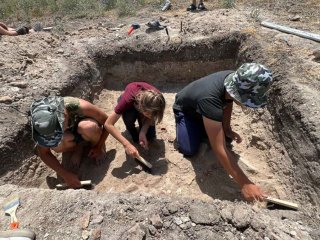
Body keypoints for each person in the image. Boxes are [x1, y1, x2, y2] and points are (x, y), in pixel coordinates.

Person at [173, 63, 273, 201]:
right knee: (189, 149)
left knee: (224, 138)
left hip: (205, 106)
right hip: (186, 110)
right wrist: (245, 183)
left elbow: (228, 101)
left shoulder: (236, 79)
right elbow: (219, 148)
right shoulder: (210, 100)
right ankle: (195, 125)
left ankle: (207, 125)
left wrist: (226, 128)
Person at [30, 96, 109, 188]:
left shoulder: (79, 107)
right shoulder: (43, 122)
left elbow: (107, 122)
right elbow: (44, 153)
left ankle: (94, 145)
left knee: (88, 127)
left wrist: (98, 147)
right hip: (72, 135)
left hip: (85, 126)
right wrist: (65, 174)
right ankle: (78, 148)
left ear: (65, 116)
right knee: (58, 143)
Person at [105, 82, 166, 159]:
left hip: (143, 104)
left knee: (150, 136)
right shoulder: (127, 101)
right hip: (129, 102)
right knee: (129, 119)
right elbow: (108, 124)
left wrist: (143, 131)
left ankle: (141, 131)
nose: (151, 117)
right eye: (148, 114)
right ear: (141, 109)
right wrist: (126, 144)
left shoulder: (158, 99)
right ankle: (132, 130)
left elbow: (152, 116)